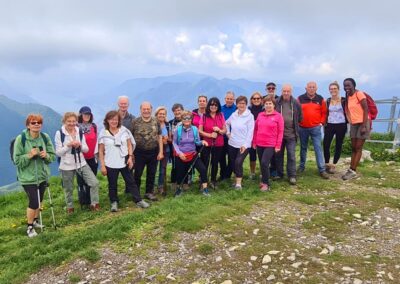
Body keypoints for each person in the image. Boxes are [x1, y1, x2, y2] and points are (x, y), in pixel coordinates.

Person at [13, 114, 56, 237]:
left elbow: (52, 156)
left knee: (39, 199)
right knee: (34, 201)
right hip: (28, 177)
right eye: (33, 123)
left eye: (39, 122)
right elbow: (17, 161)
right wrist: (29, 155)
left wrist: (46, 155)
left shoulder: (45, 137)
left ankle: (36, 221)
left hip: (42, 175)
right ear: (28, 125)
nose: (36, 124)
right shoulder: (20, 139)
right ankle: (30, 227)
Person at [98, 111, 149, 212]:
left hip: (124, 160)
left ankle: (138, 200)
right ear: (107, 120)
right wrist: (102, 165)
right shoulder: (103, 133)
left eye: (116, 119)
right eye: (111, 119)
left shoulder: (124, 131)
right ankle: (114, 202)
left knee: (131, 182)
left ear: (119, 120)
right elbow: (100, 151)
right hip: (110, 162)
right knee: (112, 184)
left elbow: (129, 144)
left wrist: (130, 157)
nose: (114, 121)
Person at [55, 112, 100, 213]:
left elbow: (86, 149)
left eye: (74, 121)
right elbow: (58, 153)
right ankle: (70, 207)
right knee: (68, 188)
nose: (71, 123)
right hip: (66, 165)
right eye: (69, 121)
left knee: (94, 183)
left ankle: (94, 204)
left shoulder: (79, 130)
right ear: (64, 121)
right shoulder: (60, 133)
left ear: (76, 121)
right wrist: (68, 145)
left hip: (81, 162)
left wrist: (79, 145)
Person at [131, 102, 164, 201]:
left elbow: (159, 137)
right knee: (138, 173)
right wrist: (131, 153)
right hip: (139, 152)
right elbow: (130, 138)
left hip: (153, 151)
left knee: (152, 173)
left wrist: (161, 152)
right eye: (144, 109)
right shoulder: (135, 122)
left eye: (148, 109)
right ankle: (136, 194)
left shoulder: (156, 121)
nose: (146, 111)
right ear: (140, 110)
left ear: (151, 109)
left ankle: (149, 192)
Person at [172, 111, 210, 196]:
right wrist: (179, 153)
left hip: (192, 154)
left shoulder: (195, 129)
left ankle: (205, 189)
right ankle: (179, 189)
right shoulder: (177, 130)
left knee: (203, 169)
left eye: (188, 118)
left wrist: (202, 141)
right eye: (184, 118)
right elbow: (174, 143)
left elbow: (196, 142)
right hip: (181, 155)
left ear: (191, 119)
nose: (187, 120)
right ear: (182, 119)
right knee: (180, 172)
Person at [297, 81, 330, 179]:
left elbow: (324, 113)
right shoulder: (300, 99)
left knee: (318, 148)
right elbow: (296, 111)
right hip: (302, 127)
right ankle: (301, 166)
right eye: (309, 87)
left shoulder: (320, 99)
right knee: (303, 148)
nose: (311, 89)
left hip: (315, 127)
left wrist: (321, 122)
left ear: (316, 89)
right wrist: (298, 122)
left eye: (313, 87)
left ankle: (322, 170)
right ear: (306, 88)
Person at [253, 95, 284, 192]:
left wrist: (278, 145)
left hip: (270, 144)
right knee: (262, 163)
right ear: (264, 105)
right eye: (266, 104)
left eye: (270, 103)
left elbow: (280, 132)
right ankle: (263, 180)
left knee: (264, 162)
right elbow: (256, 129)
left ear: (274, 105)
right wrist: (254, 142)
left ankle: (266, 184)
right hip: (259, 143)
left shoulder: (278, 116)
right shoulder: (260, 115)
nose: (268, 105)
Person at [342, 78, 370, 180]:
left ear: (354, 85)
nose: (346, 88)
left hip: (363, 123)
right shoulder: (348, 97)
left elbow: (366, 109)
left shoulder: (359, 94)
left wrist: (363, 126)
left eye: (348, 85)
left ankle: (353, 170)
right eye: (345, 86)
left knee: (358, 147)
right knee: (353, 147)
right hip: (354, 124)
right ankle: (351, 169)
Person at [275, 84, 303, 185]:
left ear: (291, 92)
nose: (286, 93)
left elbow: (300, 117)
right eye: (284, 91)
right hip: (279, 135)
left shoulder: (296, 103)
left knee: (291, 155)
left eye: (288, 91)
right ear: (281, 91)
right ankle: (280, 173)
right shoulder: (277, 102)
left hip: (291, 134)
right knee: (278, 155)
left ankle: (292, 175)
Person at [225, 96, 254, 190]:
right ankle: (236, 179)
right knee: (233, 163)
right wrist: (228, 133)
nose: (241, 105)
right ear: (236, 104)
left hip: (243, 145)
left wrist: (245, 145)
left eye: (243, 103)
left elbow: (250, 132)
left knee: (238, 162)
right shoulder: (234, 114)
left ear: (246, 105)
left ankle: (238, 184)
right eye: (239, 103)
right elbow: (226, 123)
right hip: (232, 143)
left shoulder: (250, 116)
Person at [199, 97, 227, 188]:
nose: (213, 106)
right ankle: (203, 181)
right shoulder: (204, 116)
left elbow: (224, 130)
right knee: (205, 163)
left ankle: (213, 181)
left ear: (218, 106)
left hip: (218, 143)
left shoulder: (221, 115)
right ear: (209, 106)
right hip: (206, 143)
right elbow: (200, 131)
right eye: (211, 104)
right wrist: (210, 135)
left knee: (215, 162)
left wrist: (219, 130)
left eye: (215, 105)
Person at [323, 81, 348, 174]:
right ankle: (326, 163)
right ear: (329, 90)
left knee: (338, 144)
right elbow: (325, 112)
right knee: (326, 144)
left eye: (335, 88)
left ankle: (334, 165)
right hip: (330, 124)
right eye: (331, 89)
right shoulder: (328, 101)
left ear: (338, 89)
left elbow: (349, 110)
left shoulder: (344, 100)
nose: (333, 90)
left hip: (341, 124)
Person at [77, 106, 98, 207]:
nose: (87, 116)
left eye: (88, 114)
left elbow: (96, 140)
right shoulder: (76, 127)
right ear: (80, 115)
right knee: (82, 181)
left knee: (92, 178)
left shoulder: (93, 126)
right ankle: (83, 200)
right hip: (81, 158)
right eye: (85, 114)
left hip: (92, 157)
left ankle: (91, 199)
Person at [219, 91, 237, 181]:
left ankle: (227, 175)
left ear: (234, 99)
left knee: (231, 157)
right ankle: (222, 175)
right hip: (222, 137)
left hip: (233, 138)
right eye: (227, 98)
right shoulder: (220, 109)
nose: (229, 100)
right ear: (225, 99)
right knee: (221, 157)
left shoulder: (237, 109)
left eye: (231, 99)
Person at [168, 103, 184, 191]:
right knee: (175, 165)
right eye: (175, 111)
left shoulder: (186, 120)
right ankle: (174, 182)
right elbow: (169, 137)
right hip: (173, 147)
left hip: (185, 147)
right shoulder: (171, 122)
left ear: (182, 110)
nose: (177, 112)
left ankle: (184, 182)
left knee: (184, 164)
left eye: (179, 110)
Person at [248, 92, 264, 179]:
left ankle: (262, 172)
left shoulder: (264, 109)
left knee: (262, 154)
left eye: (258, 98)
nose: (256, 100)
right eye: (254, 98)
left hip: (262, 135)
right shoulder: (248, 110)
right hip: (251, 135)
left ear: (261, 100)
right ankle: (252, 172)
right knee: (252, 154)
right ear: (251, 100)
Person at [264, 82, 279, 178]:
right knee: (264, 154)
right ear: (266, 89)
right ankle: (265, 171)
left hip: (275, 129)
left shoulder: (279, 99)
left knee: (275, 154)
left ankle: (274, 170)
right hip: (265, 130)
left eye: (273, 88)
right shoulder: (263, 98)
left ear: (275, 89)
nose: (271, 90)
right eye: (269, 88)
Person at [155, 106, 170, 196]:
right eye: (160, 114)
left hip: (166, 148)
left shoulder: (168, 124)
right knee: (153, 168)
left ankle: (160, 186)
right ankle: (151, 187)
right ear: (156, 114)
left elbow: (171, 138)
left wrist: (167, 139)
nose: (162, 115)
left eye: (163, 114)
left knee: (162, 169)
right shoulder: (153, 124)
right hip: (155, 149)